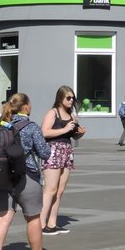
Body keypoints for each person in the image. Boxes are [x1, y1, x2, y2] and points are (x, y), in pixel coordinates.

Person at [0, 93, 56, 250]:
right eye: (30, 104)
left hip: (0, 177)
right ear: (25, 107)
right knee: (33, 217)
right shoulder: (31, 127)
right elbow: (45, 153)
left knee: (1, 219)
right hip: (26, 177)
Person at [40, 86, 87, 236]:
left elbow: (73, 136)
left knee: (59, 191)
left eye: (73, 98)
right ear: (60, 98)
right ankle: (40, 224)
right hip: (53, 150)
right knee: (50, 189)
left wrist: (80, 133)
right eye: (68, 98)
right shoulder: (52, 113)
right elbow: (44, 132)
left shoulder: (72, 115)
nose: (71, 100)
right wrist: (65, 129)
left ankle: (52, 224)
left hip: (66, 151)